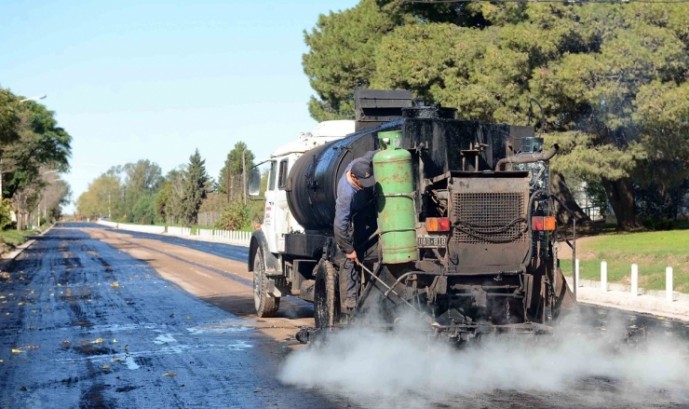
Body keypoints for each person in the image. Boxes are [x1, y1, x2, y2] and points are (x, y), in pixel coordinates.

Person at [334, 151, 376, 312]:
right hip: (353, 217)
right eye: (363, 183)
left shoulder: (361, 162)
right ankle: (351, 298)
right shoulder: (346, 194)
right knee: (349, 261)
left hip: (367, 207)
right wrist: (348, 249)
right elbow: (339, 225)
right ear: (353, 177)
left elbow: (371, 154)